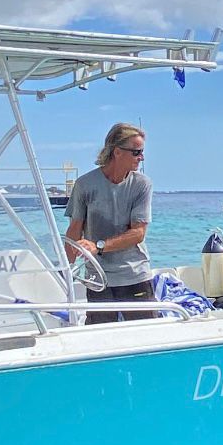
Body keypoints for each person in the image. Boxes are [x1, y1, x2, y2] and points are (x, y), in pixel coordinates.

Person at [64, 123, 154, 321]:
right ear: (118, 152)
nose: (142, 157)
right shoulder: (85, 185)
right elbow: (74, 231)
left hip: (135, 275)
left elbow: (138, 233)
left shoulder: (142, 184)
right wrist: (65, 271)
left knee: (147, 337)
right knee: (100, 338)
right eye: (137, 152)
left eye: (142, 152)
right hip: (97, 279)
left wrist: (98, 246)